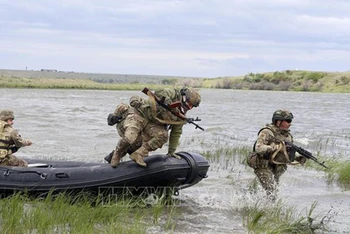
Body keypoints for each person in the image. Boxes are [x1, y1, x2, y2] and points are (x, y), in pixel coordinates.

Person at [109, 87, 201, 168]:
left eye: (190, 107)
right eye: (188, 104)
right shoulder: (173, 93)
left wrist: (171, 152)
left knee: (163, 135)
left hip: (151, 124)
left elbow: (176, 133)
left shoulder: (180, 116)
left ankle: (139, 154)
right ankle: (116, 154)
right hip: (140, 114)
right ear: (183, 97)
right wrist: (168, 103)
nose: (188, 107)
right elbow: (160, 91)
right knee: (130, 137)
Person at [247, 110, 306, 200]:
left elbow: (287, 153)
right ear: (278, 121)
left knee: (274, 191)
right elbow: (258, 148)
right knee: (271, 192)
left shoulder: (288, 136)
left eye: (290, 121)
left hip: (277, 167)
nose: (290, 124)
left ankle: (258, 203)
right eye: (288, 121)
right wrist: (275, 147)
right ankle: (267, 210)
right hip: (263, 165)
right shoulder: (267, 132)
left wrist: (298, 158)